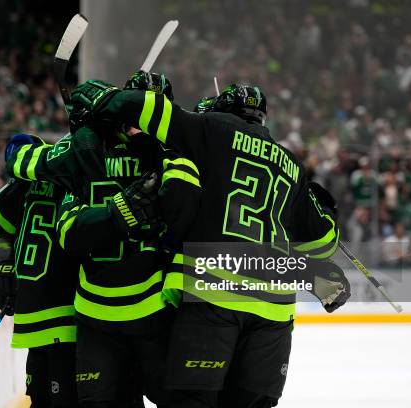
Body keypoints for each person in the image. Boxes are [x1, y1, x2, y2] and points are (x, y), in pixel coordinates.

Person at [71, 81, 351, 407]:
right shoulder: (290, 164)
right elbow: (322, 244)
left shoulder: (211, 129)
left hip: (213, 290)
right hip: (274, 309)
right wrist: (323, 207)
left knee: (192, 402)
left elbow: (152, 109)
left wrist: (108, 100)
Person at [5, 72, 201, 407]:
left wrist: (24, 144)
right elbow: (69, 233)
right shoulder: (177, 155)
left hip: (107, 313)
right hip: (130, 313)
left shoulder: (81, 148)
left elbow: (21, 162)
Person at [0, 134, 80, 407]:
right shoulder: (67, 176)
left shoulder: (30, 185)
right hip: (59, 314)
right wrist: (6, 263)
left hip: (42, 314)